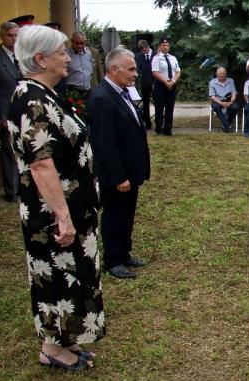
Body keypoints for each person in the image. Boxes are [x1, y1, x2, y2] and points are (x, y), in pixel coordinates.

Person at [9, 25, 104, 370]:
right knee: (55, 278)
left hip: (70, 208)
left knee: (72, 275)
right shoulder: (32, 99)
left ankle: (64, 341)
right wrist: (63, 216)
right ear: (40, 58)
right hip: (52, 214)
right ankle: (52, 350)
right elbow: (41, 164)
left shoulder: (43, 92)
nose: (67, 57)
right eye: (61, 52)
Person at [88, 47, 151, 280]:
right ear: (114, 69)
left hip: (130, 171)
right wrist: (118, 177)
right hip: (117, 174)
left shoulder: (121, 92)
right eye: (131, 69)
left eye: (135, 68)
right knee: (115, 215)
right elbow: (104, 144)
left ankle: (124, 252)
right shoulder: (102, 98)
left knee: (127, 212)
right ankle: (113, 260)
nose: (136, 74)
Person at [0, 21, 20, 203]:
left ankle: (20, 185)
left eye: (16, 35)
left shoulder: (22, 56)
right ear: (2, 36)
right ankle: (11, 190)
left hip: (22, 111)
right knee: (9, 151)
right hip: (5, 113)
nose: (14, 39)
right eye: (10, 36)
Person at [151, 37, 181, 136]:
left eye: (167, 45)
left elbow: (178, 71)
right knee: (159, 108)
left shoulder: (173, 58)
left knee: (170, 107)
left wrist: (172, 81)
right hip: (160, 84)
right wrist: (165, 82)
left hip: (172, 84)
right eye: (163, 45)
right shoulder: (156, 58)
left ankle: (168, 129)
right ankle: (159, 129)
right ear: (160, 46)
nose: (165, 47)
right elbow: (155, 72)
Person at [65, 31, 103, 103]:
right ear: (72, 41)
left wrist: (102, 89)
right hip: (72, 92)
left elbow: (100, 72)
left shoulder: (94, 53)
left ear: (86, 42)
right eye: (77, 43)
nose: (79, 45)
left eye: (82, 43)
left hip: (90, 91)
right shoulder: (65, 54)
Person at [208, 66, 239, 133]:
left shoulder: (231, 81)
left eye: (223, 73)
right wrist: (221, 103)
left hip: (228, 100)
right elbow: (212, 96)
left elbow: (234, 93)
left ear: (226, 74)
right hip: (217, 100)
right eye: (220, 73)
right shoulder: (212, 82)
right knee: (216, 107)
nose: (222, 75)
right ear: (217, 74)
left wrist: (230, 102)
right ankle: (227, 127)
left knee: (235, 107)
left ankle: (225, 125)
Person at [135, 39, 154, 129]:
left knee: (158, 103)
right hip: (144, 83)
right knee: (145, 104)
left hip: (155, 83)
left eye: (145, 50)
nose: (144, 52)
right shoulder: (139, 56)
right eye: (142, 51)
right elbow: (138, 70)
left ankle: (159, 121)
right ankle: (147, 123)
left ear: (148, 47)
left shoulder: (155, 55)